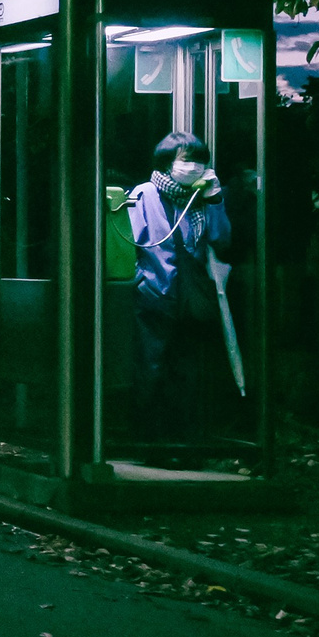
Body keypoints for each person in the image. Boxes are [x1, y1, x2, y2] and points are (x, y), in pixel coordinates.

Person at [124, 131, 234, 437]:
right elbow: (129, 240)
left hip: (191, 298)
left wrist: (214, 199)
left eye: (200, 161)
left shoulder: (201, 200)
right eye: (187, 160)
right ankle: (149, 438)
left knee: (185, 373)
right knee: (151, 368)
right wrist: (141, 281)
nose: (195, 167)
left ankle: (182, 441)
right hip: (155, 296)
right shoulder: (144, 194)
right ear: (168, 162)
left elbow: (222, 239)